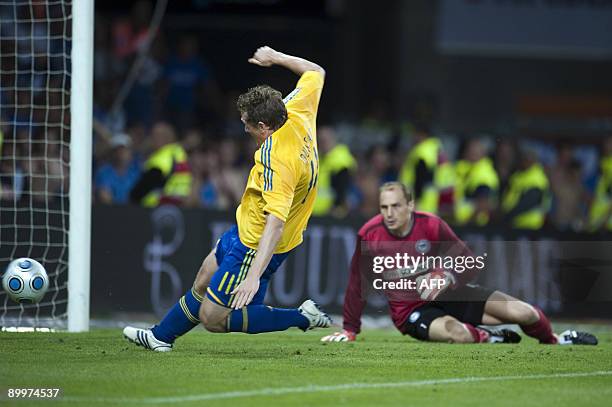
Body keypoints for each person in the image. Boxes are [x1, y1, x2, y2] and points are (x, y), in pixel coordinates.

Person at [124, 46, 331, 351]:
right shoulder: (296, 108)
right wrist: (276, 58)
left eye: (246, 122)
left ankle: (303, 317)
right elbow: (316, 72)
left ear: (263, 127)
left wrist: (254, 276)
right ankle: (160, 337)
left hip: (257, 242)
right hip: (245, 227)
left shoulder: (279, 160)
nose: (243, 126)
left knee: (213, 318)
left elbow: (276, 223)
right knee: (204, 278)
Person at [321, 181, 597, 346]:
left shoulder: (431, 225)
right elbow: (358, 283)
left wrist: (447, 275)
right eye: (384, 208)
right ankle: (492, 337)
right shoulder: (370, 235)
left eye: (395, 206)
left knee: (526, 314)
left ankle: (556, 341)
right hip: (412, 312)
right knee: (457, 333)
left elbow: (470, 262)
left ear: (410, 205)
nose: (389, 214)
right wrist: (350, 329)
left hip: (452, 295)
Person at [129, 121, 192, 207]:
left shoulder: (161, 159)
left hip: (155, 207)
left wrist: (132, 197)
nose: (151, 139)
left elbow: (140, 190)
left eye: (154, 135)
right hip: (177, 206)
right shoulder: (179, 153)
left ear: (165, 138)